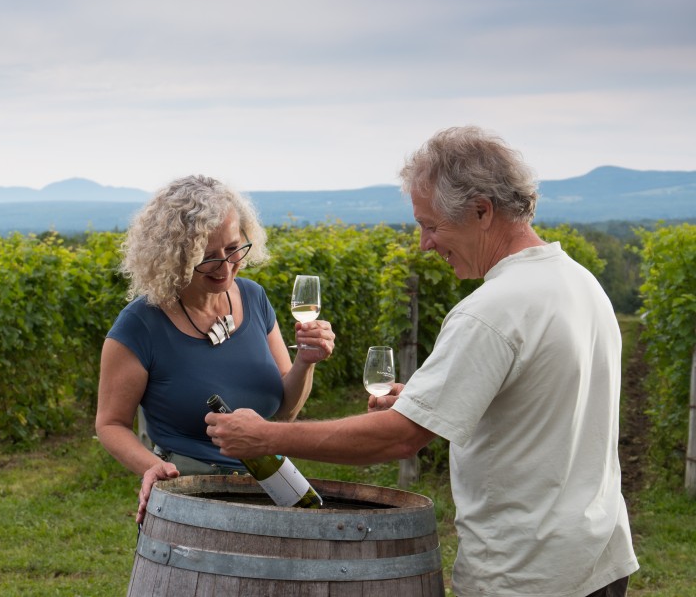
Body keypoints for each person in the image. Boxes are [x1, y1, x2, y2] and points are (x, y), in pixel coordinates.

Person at [206, 127, 638, 596]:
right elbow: (540, 401)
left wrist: (263, 436)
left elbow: (400, 437)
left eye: (431, 225)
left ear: (481, 211)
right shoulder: (579, 282)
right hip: (598, 558)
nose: (424, 244)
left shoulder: (491, 311)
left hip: (528, 574)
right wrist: (421, 399)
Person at [96, 174, 335, 524]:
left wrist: (305, 362)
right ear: (175, 256)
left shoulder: (254, 298)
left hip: (273, 489)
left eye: (234, 248)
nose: (226, 266)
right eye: (207, 256)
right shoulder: (139, 325)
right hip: (189, 495)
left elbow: (284, 412)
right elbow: (111, 424)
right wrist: (154, 468)